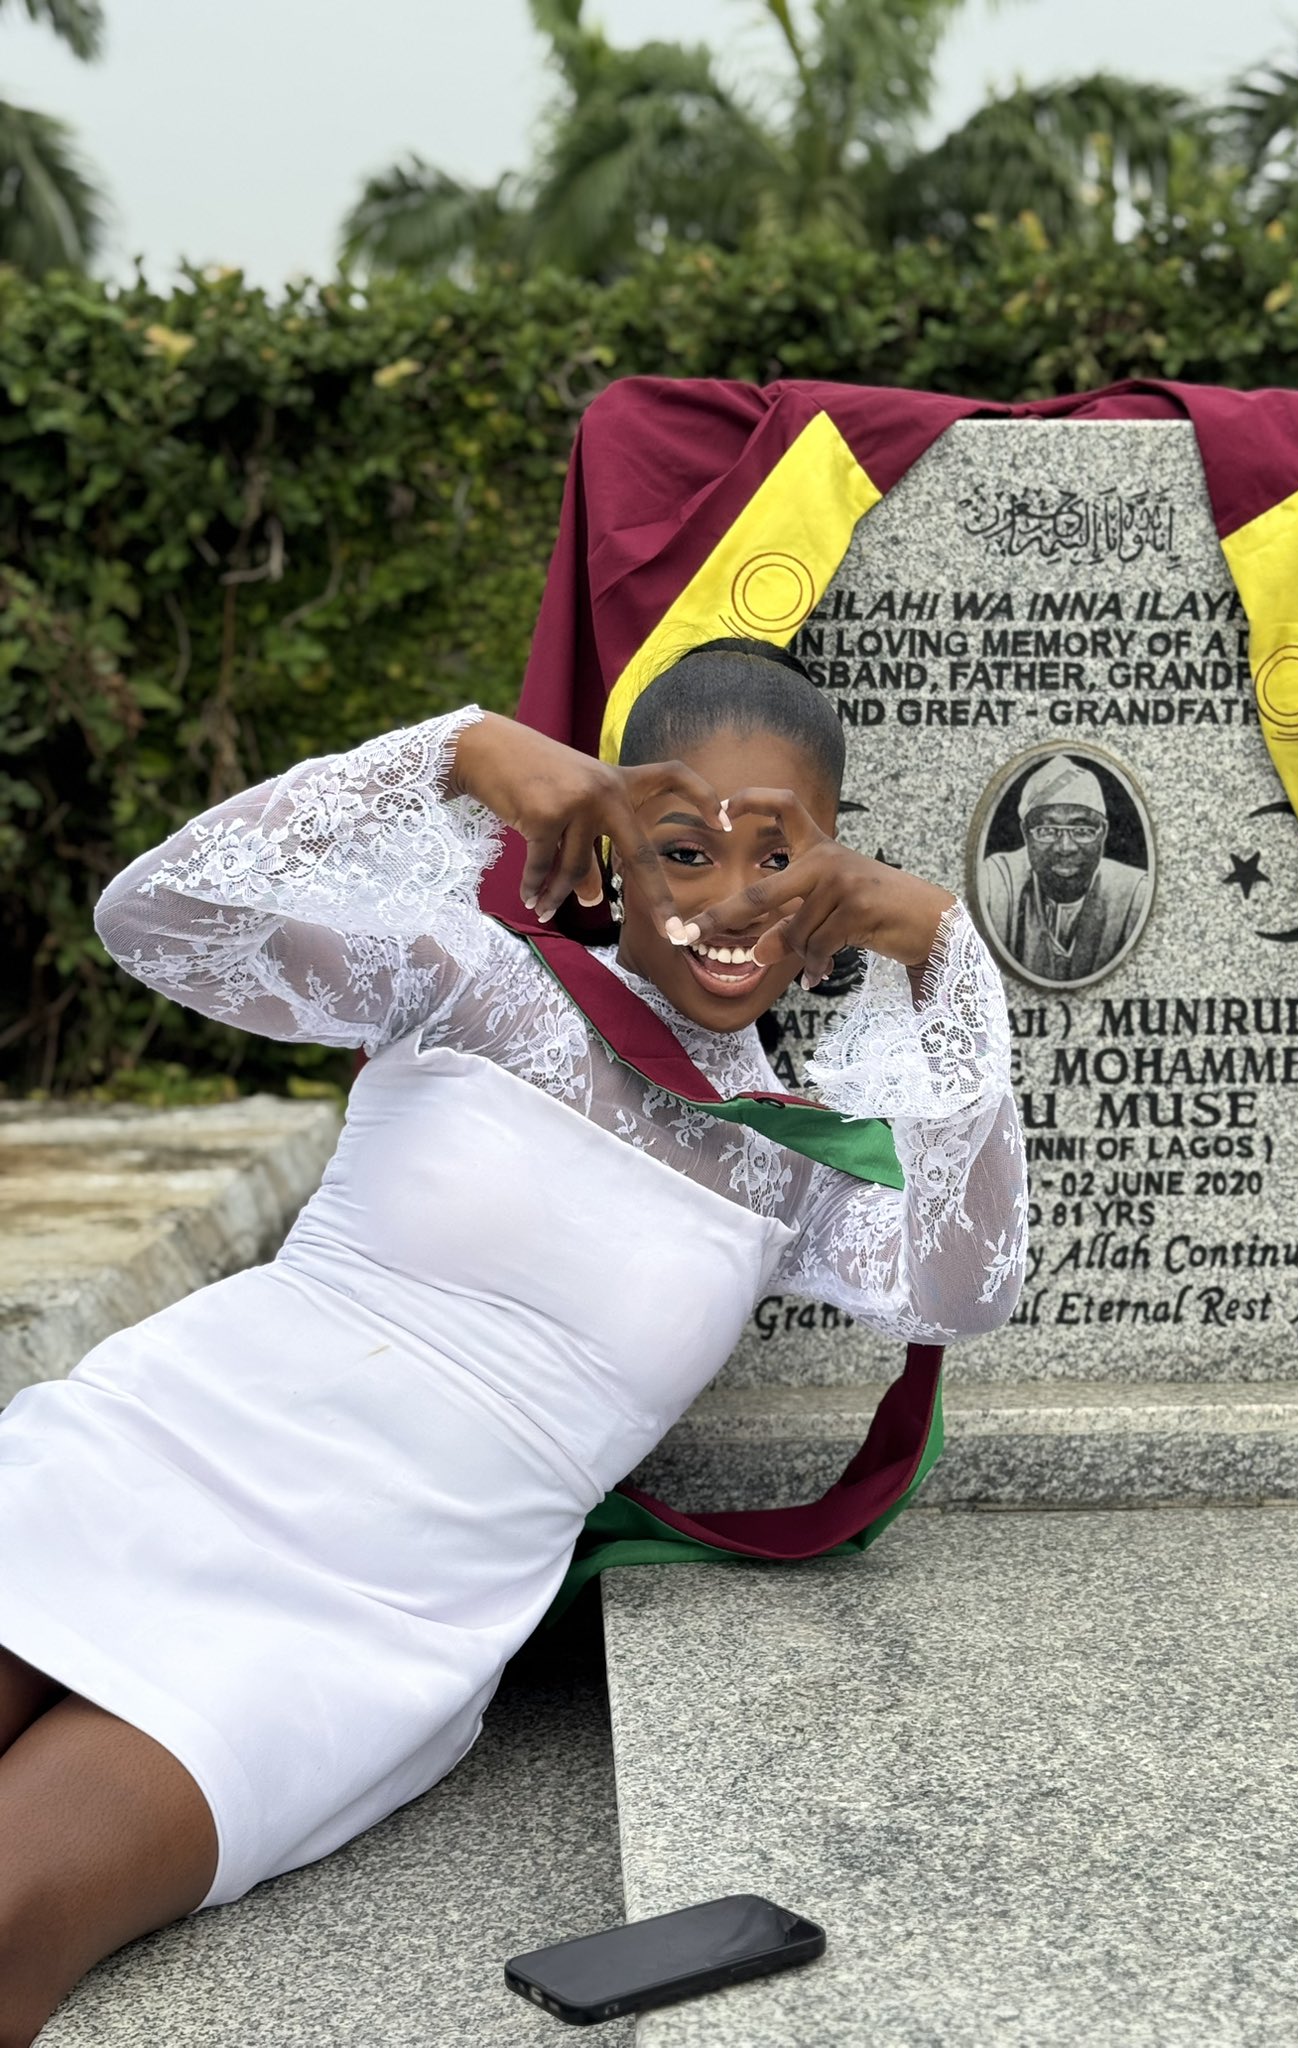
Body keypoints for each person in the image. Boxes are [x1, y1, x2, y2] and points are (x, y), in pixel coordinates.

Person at [0, 637, 1027, 2041]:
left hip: (361, 1624)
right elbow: (158, 918)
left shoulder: (796, 1164)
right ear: (612, 840)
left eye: (776, 857)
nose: (731, 899)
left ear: (838, 870)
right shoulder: (477, 986)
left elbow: (960, 1288)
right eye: (683, 845)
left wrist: (948, 957)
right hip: (144, 1457)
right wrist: (461, 750)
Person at [979, 755, 1149, 984]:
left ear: (1104, 832)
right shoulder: (997, 881)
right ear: (1025, 833)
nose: (1065, 847)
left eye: (1082, 830)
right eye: (1047, 830)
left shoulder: (1134, 894)